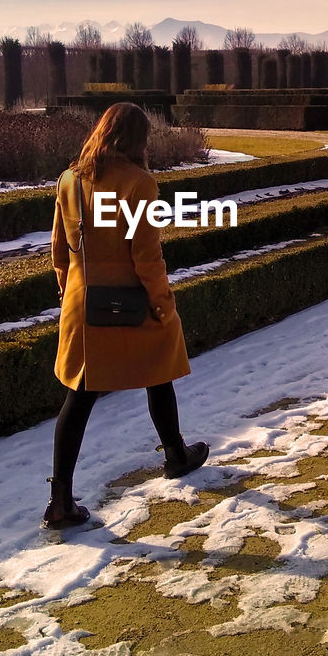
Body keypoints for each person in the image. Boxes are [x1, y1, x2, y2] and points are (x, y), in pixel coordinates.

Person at [45, 102, 208, 528]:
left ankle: (60, 498)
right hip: (131, 299)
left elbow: (59, 251)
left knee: (79, 396)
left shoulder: (69, 181)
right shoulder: (140, 184)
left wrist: (70, 293)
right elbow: (146, 255)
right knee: (160, 366)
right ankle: (174, 454)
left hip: (84, 303)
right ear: (137, 140)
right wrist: (162, 303)